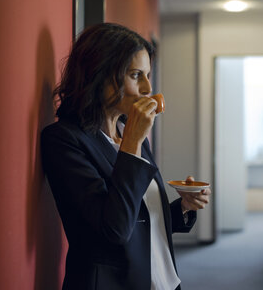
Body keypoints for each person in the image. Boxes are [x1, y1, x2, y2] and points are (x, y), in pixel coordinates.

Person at [41, 23, 211, 290]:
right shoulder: (64, 140)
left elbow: (141, 219)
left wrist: (183, 207)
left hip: (164, 282)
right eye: (136, 75)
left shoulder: (128, 130)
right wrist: (132, 142)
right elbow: (114, 229)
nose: (147, 87)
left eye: (147, 75)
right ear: (99, 75)